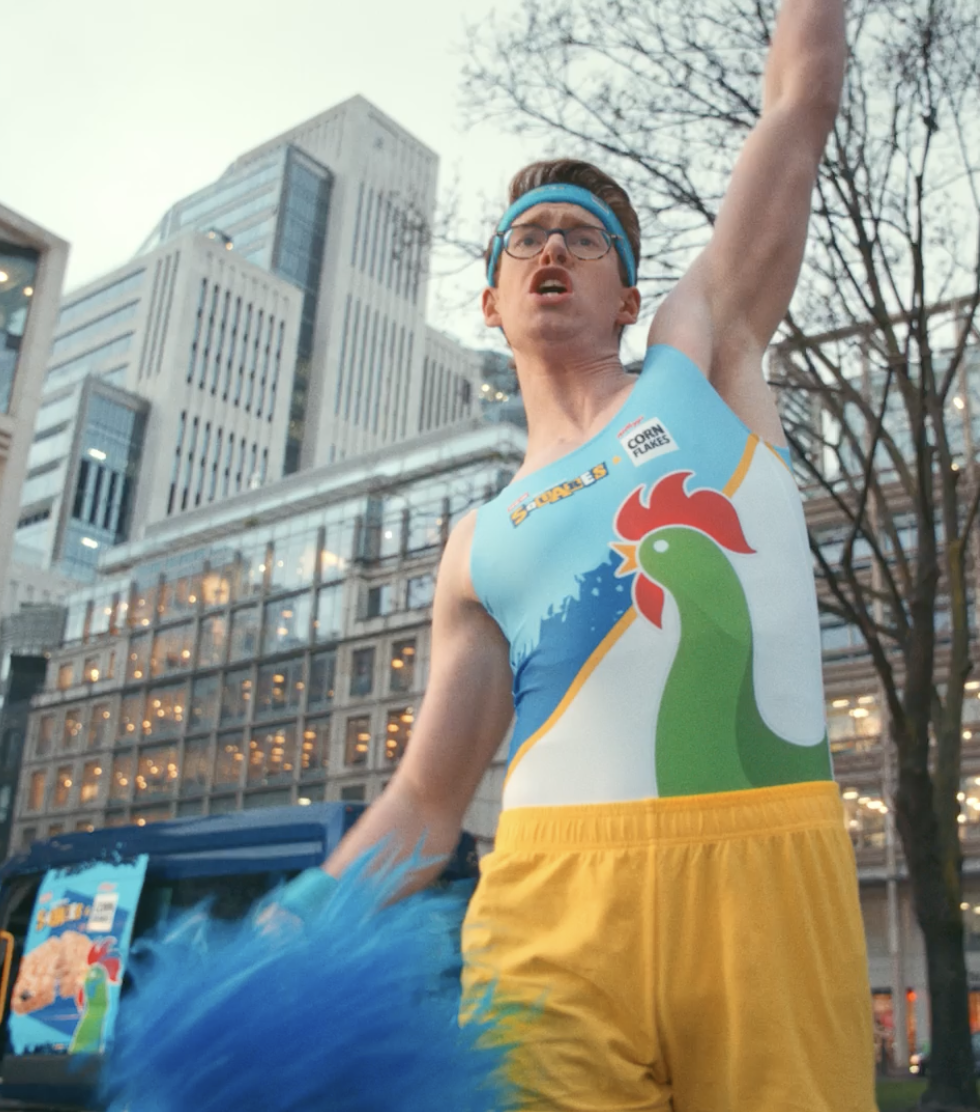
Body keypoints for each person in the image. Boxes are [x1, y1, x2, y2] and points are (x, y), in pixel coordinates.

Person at [315, 0, 876, 1108]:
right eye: (526, 236)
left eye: (583, 234)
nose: (553, 245)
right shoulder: (476, 543)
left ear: (629, 292)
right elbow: (428, 802)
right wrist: (300, 919)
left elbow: (797, 108)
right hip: (548, 910)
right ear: (492, 300)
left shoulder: (700, 360)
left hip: (764, 888)